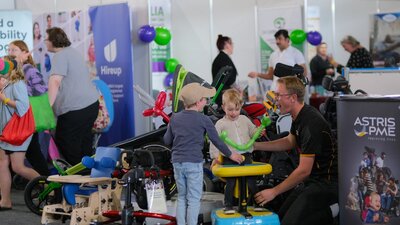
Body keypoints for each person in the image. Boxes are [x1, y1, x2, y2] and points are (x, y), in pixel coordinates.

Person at [253, 76, 338, 225]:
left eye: (278, 95)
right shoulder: (298, 116)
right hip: (311, 181)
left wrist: (273, 191)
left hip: (326, 184)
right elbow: (289, 141)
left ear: (293, 98)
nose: (275, 99)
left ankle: (333, 211)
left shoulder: (311, 123)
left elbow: (304, 170)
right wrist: (255, 146)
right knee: (279, 218)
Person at [163, 82, 243, 225]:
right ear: (198, 102)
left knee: (181, 197)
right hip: (193, 163)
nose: (206, 101)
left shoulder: (174, 118)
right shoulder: (203, 119)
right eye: (205, 99)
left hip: (177, 163)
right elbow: (217, 141)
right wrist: (231, 155)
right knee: (193, 198)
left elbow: (167, 140)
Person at [45, 27, 99, 166]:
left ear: (53, 41)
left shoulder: (60, 56)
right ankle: (88, 177)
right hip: (90, 105)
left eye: (46, 39)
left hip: (75, 109)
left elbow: (55, 81)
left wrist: (47, 107)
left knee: (67, 143)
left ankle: (78, 178)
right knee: (83, 144)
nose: (45, 42)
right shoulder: (73, 52)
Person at [209, 89, 263, 214]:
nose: (234, 113)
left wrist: (259, 132)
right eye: (230, 110)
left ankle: (257, 203)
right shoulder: (220, 124)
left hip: (246, 155)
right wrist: (215, 157)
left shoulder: (244, 119)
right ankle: (228, 205)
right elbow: (214, 141)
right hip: (229, 157)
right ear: (223, 107)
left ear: (241, 106)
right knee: (231, 182)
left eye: (236, 110)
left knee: (251, 180)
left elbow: (253, 132)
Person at [0, 55, 40, 210]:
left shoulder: (18, 85)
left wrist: (4, 99)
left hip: (17, 133)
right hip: (4, 132)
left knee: (18, 167)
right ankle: (5, 200)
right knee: (2, 164)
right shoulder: (6, 84)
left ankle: (49, 187)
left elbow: (23, 107)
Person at [7, 40, 50, 176]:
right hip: (19, 118)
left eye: (14, 50)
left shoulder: (28, 69)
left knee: (33, 154)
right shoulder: (13, 69)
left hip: (28, 118)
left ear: (24, 53)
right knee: (32, 153)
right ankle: (46, 183)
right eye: (9, 50)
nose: (10, 52)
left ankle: (49, 184)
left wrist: (20, 90)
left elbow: (41, 89)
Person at [211, 35, 238, 107]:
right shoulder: (223, 58)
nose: (233, 46)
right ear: (226, 45)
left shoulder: (222, 58)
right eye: (231, 43)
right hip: (224, 96)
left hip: (223, 94)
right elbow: (229, 79)